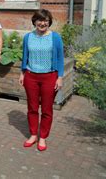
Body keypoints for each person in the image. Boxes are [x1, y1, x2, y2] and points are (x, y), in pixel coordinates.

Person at [19, 9, 64, 151]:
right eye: (39, 20)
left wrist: (60, 77)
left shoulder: (55, 37)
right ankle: (33, 134)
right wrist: (22, 73)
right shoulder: (28, 37)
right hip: (31, 76)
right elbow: (25, 55)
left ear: (49, 22)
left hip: (49, 77)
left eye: (45, 20)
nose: (42, 23)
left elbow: (60, 58)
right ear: (34, 22)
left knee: (46, 109)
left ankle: (42, 137)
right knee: (32, 108)